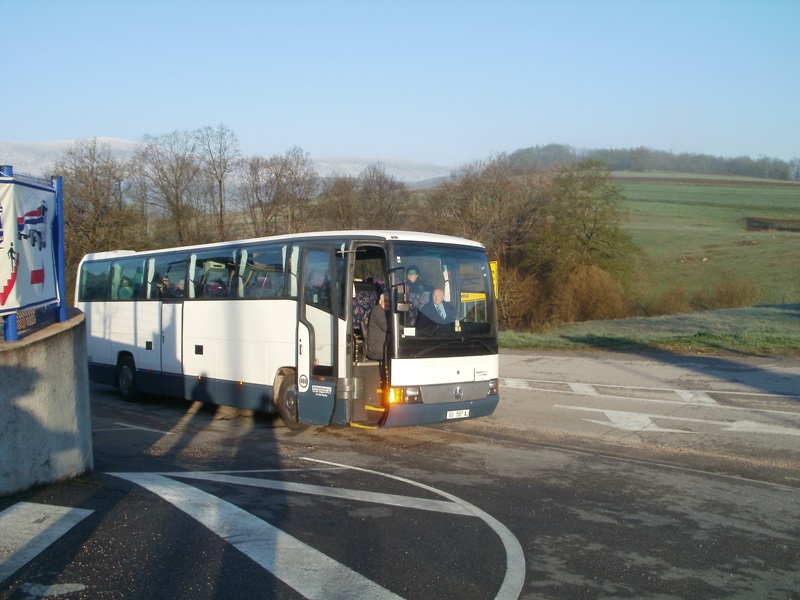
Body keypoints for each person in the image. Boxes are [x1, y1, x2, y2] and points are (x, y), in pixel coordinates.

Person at [365, 292, 389, 361]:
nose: (387, 304)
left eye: (389, 302)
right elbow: (386, 327)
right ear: (380, 301)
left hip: (384, 345)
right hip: (377, 350)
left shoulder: (387, 312)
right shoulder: (377, 311)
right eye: (385, 301)